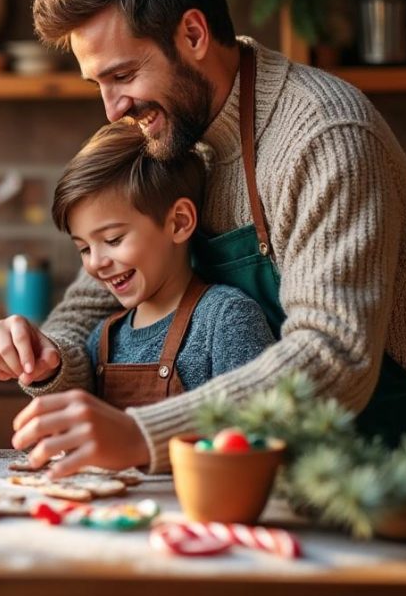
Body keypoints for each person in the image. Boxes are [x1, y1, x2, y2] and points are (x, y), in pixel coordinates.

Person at [0, 0, 406, 476]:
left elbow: (332, 357)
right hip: (221, 479)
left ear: (192, 33)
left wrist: (147, 433)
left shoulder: (326, 137)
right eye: (98, 83)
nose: (112, 108)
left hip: (357, 485)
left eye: (123, 75)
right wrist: (46, 354)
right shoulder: (166, 132)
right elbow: (88, 309)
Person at [54, 120, 274, 413]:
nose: (95, 263)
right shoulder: (102, 339)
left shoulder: (226, 319)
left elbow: (260, 431)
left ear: (180, 222)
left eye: (113, 239)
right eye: (83, 248)